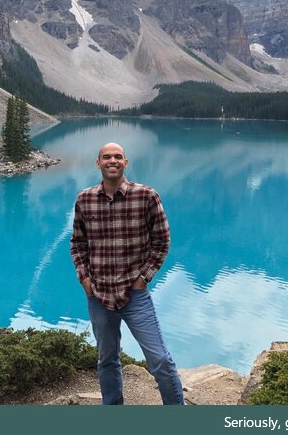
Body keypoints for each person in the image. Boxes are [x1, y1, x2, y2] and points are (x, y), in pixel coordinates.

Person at [70, 142, 184, 405]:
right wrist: (84, 278)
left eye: (118, 157)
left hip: (135, 296)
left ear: (126, 163)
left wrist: (144, 278)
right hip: (98, 295)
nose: (113, 161)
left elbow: (162, 241)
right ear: (98, 163)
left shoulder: (146, 196)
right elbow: (78, 243)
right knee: (107, 359)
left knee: (160, 361)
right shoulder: (84, 199)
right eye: (107, 157)